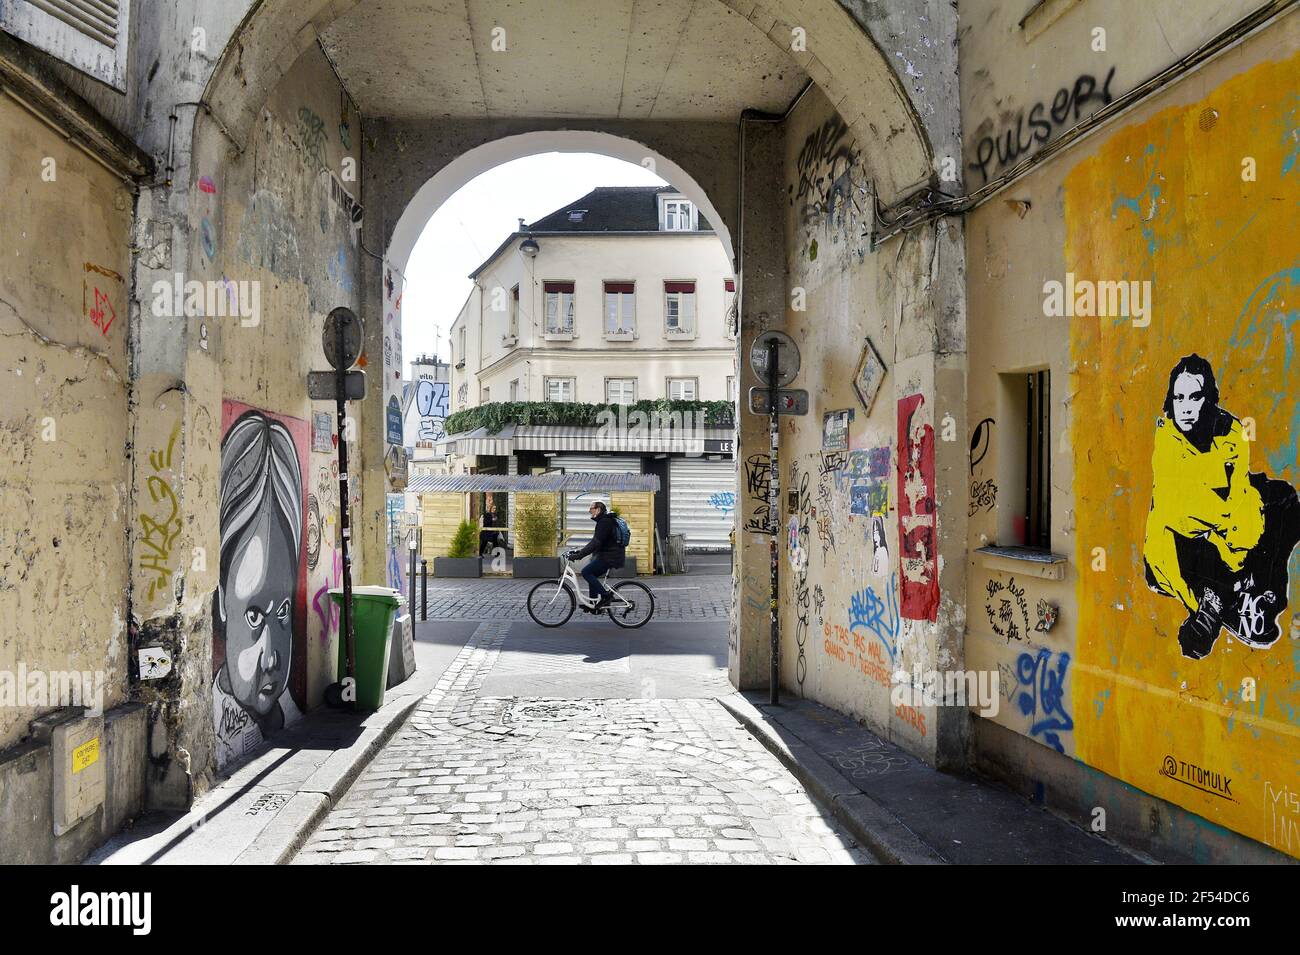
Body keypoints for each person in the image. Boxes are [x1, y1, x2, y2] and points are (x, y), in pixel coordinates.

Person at [1143, 354, 1300, 658]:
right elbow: (1180, 514)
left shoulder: (1229, 432)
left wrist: (1235, 543)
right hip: (1178, 544)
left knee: (1283, 500)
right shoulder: (1167, 437)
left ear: (1209, 399)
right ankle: (1220, 602)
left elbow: (1238, 495)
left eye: (1194, 397)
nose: (1185, 407)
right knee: (1195, 540)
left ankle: (1242, 596)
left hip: (1223, 536)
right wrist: (1227, 534)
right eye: (1178, 397)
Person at [567, 500, 625, 609]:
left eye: (591, 508)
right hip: (609, 555)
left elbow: (595, 543)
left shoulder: (604, 522)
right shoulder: (604, 521)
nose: (589, 511)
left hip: (610, 557)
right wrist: (579, 552)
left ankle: (606, 596)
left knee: (586, 572)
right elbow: (596, 542)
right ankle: (593, 605)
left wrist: (579, 556)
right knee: (591, 574)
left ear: (598, 509)